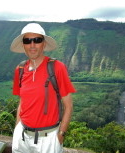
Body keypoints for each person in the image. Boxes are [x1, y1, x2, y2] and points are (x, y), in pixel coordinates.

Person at [10, 23, 76, 153]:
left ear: (44, 44)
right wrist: (17, 128)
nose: (32, 45)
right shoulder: (20, 69)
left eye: (37, 40)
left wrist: (61, 134)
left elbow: (68, 105)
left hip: (48, 139)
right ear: (23, 45)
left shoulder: (57, 67)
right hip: (22, 136)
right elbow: (22, 102)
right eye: (27, 41)